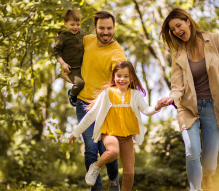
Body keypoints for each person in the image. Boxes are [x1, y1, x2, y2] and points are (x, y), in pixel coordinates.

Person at [159, 8, 219, 191]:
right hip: (187, 108)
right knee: (192, 151)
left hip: (212, 106)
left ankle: (206, 176)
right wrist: (170, 99)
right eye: (172, 30)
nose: (177, 31)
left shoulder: (214, 40)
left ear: (188, 21)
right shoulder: (178, 53)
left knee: (209, 165)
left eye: (178, 25)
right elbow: (177, 86)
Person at [69, 61, 163, 191]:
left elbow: (147, 110)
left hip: (126, 137)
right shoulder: (107, 93)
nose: (122, 79)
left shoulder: (135, 95)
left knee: (129, 174)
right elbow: (92, 115)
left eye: (126, 76)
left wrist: (158, 106)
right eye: (119, 75)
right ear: (114, 77)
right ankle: (95, 166)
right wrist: (76, 132)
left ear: (131, 78)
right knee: (113, 152)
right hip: (110, 134)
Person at [74, 11, 127, 191]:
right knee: (90, 148)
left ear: (114, 28)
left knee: (106, 149)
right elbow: (70, 49)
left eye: (109, 28)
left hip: (106, 108)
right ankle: (95, 189)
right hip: (83, 104)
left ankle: (113, 179)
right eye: (102, 28)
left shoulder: (117, 53)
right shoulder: (87, 40)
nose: (106, 32)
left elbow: (121, 81)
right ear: (95, 28)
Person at [53, 9, 86, 105]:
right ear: (65, 24)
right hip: (71, 68)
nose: (75, 27)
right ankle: (72, 94)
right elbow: (56, 51)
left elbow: (90, 40)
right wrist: (63, 63)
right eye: (72, 25)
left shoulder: (82, 34)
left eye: (78, 24)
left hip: (82, 65)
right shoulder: (63, 37)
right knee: (80, 84)